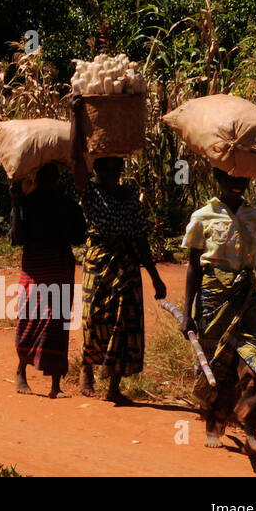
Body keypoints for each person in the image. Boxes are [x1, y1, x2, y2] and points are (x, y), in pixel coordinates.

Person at [183, 168, 256, 456]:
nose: (237, 186)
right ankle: (212, 425)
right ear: (217, 180)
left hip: (246, 300)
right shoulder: (203, 216)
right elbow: (194, 267)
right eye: (230, 180)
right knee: (215, 365)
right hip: (213, 299)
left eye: (242, 180)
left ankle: (250, 432)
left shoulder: (254, 217)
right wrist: (187, 312)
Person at [73, 153, 168, 403]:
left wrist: (155, 277)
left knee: (125, 322)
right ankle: (87, 367)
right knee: (94, 315)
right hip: (99, 260)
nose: (112, 174)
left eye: (116, 169)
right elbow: (76, 164)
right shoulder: (91, 193)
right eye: (106, 169)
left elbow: (141, 239)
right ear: (97, 171)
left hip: (127, 263)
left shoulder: (130, 198)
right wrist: (77, 120)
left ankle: (114, 387)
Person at [9, 162, 86, 398]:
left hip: (57, 264)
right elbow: (16, 238)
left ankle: (55, 385)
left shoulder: (66, 205)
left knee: (56, 320)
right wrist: (15, 203)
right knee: (32, 317)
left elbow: (79, 235)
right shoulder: (26, 203)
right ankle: (21, 371)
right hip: (38, 265)